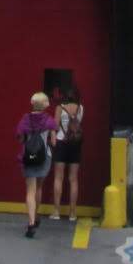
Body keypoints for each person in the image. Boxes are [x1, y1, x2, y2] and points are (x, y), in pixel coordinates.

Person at [16, 92, 57, 238]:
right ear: (45, 104)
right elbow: (53, 142)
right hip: (44, 157)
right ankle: (36, 215)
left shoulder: (25, 119)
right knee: (39, 187)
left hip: (28, 158)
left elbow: (20, 139)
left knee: (30, 191)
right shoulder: (49, 121)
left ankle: (31, 221)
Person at [50, 87, 83, 221]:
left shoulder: (60, 108)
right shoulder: (81, 108)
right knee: (73, 179)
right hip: (75, 143)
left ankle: (56, 211)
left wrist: (53, 139)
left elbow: (55, 126)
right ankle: (73, 213)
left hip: (61, 142)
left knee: (59, 178)